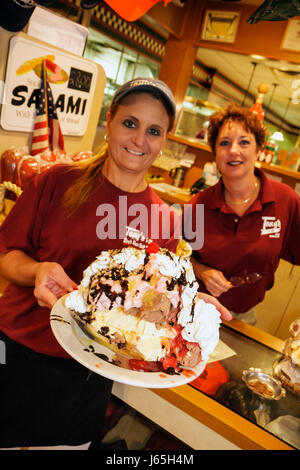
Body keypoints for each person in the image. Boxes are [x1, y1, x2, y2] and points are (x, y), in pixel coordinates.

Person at [0, 77, 231, 449]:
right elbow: (7, 257)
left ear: (164, 140)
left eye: (154, 131)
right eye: (130, 123)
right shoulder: (58, 182)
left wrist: (187, 305)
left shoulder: (165, 221)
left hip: (89, 372)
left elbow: (152, 307)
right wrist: (36, 270)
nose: (140, 140)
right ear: (109, 121)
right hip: (19, 348)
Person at [185, 103, 300, 325]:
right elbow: (176, 257)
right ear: (215, 153)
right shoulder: (197, 206)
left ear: (258, 150)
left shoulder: (285, 201)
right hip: (196, 311)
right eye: (224, 143)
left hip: (244, 319)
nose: (234, 150)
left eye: (244, 142)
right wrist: (201, 270)